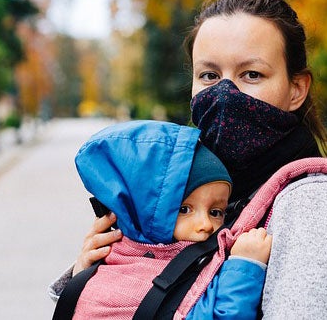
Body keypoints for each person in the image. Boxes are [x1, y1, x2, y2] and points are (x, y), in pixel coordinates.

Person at [51, 0, 327, 318]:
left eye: (252, 74)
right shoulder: (194, 179)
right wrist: (93, 275)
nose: (224, 93)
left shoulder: (314, 204)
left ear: (296, 89)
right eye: (209, 75)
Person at [53, 120, 272, 319]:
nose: (206, 225)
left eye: (216, 212)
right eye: (184, 209)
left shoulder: (198, 258)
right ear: (145, 212)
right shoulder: (118, 280)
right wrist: (245, 267)